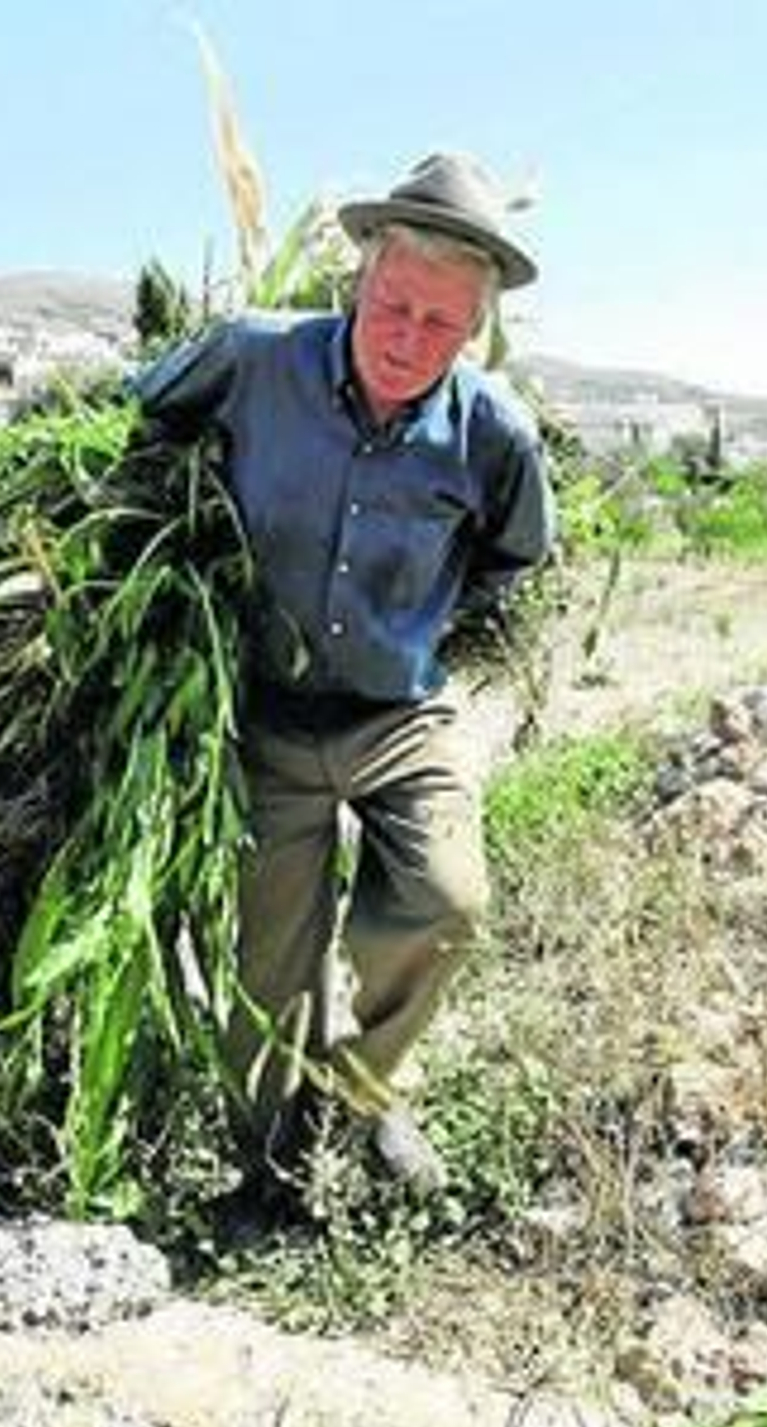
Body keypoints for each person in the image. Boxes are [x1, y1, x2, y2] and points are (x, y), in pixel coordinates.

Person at [131, 152, 554, 1193]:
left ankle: (362, 1097)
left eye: (441, 324)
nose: (410, 340)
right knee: (267, 963)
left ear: (476, 330)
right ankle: (270, 1164)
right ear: (359, 277)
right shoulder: (249, 360)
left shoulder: (494, 432)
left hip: (403, 709)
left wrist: (421, 622)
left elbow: (514, 555)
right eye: (394, 305)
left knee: (445, 900)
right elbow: (137, 430)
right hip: (263, 711)